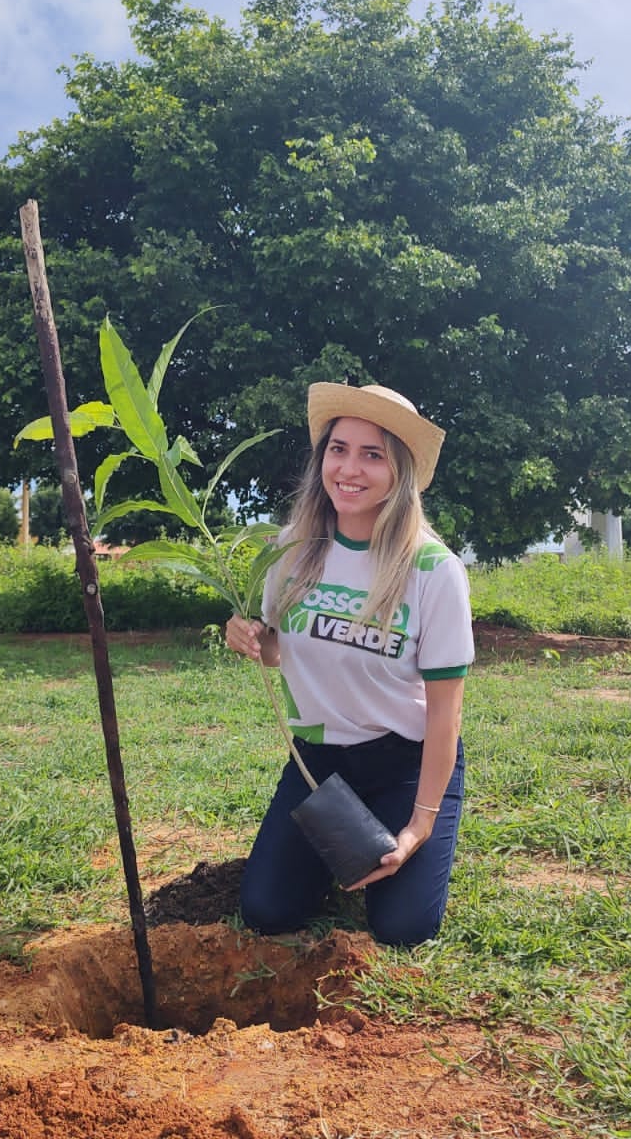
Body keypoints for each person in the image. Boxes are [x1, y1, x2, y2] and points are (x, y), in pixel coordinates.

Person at [225, 382, 473, 946]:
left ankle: (394, 847)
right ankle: (332, 859)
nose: (349, 468)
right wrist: (245, 636)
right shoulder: (290, 551)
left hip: (404, 764)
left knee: (403, 928)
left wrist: (419, 826)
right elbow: (279, 649)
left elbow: (444, 717)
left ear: (400, 471)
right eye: (338, 449)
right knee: (267, 909)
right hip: (319, 766)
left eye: (372, 454)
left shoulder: (433, 572)